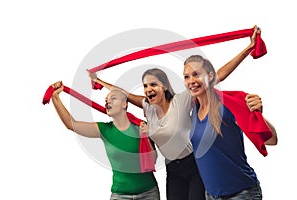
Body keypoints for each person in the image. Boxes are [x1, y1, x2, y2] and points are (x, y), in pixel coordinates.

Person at [88, 26, 262, 200]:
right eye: (145, 86)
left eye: (153, 84)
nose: (148, 89)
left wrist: (248, 48)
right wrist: (98, 80)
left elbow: (216, 77)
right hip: (173, 168)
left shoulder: (181, 101)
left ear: (164, 86)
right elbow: (123, 93)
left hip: (193, 165)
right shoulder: (148, 108)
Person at [183, 54, 277, 199]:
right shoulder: (193, 110)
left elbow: (272, 140)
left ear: (210, 76)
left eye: (196, 74)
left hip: (241, 194)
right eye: (186, 77)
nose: (191, 81)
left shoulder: (227, 106)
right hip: (211, 195)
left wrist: (258, 115)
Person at [50, 81, 160, 200]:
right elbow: (72, 124)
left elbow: (152, 161)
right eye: (106, 99)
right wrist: (55, 97)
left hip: (148, 193)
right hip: (120, 195)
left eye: (113, 98)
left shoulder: (141, 127)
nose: (108, 101)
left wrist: (146, 136)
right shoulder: (104, 130)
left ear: (124, 104)